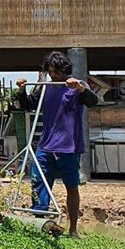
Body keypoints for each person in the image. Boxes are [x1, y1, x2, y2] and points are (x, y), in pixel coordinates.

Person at [15, 50, 98, 238]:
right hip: (45, 146)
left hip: (68, 147)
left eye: (57, 72)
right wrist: (21, 89)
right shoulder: (45, 87)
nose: (53, 75)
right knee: (38, 184)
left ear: (64, 70)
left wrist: (80, 89)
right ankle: (39, 223)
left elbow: (93, 101)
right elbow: (29, 104)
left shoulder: (77, 86)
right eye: (51, 72)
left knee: (71, 186)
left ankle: (73, 229)